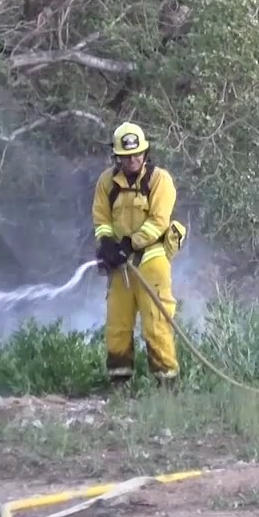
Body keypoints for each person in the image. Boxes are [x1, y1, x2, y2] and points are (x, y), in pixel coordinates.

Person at [92, 122, 180, 387]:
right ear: (116, 156)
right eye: (126, 156)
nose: (132, 160)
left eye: (137, 154)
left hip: (151, 260)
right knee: (117, 326)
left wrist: (130, 244)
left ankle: (166, 385)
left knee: (156, 325)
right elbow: (101, 217)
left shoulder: (159, 180)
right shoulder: (107, 182)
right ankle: (120, 383)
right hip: (121, 265)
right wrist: (107, 242)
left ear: (145, 152)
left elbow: (159, 221)